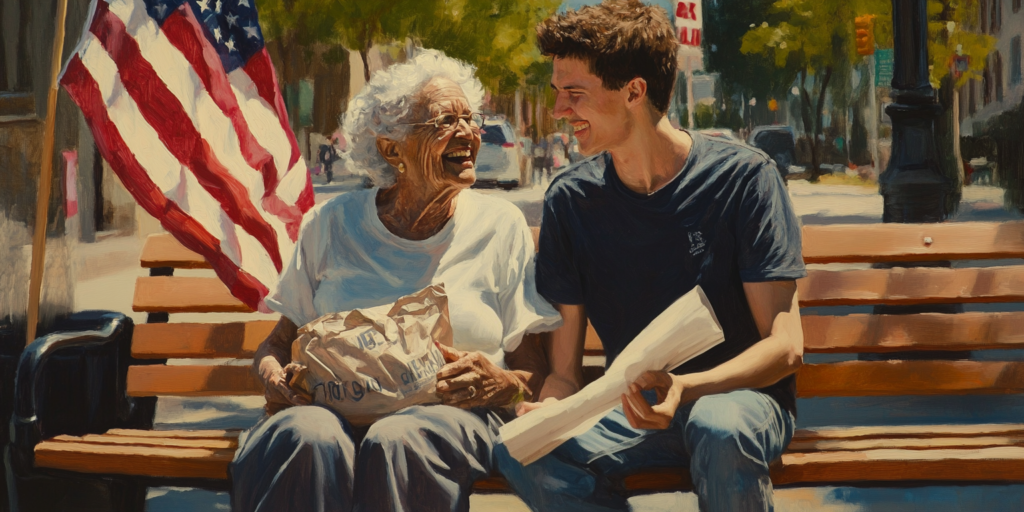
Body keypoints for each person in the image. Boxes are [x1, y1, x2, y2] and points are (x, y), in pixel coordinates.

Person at [495, 2, 806, 511]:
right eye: (557, 94)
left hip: (739, 402)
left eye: (575, 95)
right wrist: (548, 412)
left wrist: (686, 386)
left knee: (718, 426)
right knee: (522, 451)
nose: (558, 111)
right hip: (633, 409)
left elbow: (786, 346)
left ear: (634, 92)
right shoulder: (571, 201)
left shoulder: (744, 178)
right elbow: (567, 374)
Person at [231, 49, 562, 512]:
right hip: (330, 412)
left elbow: (534, 373)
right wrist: (273, 378)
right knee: (307, 436)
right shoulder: (331, 224)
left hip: (446, 422)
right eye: (445, 122)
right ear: (391, 149)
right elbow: (278, 343)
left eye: (471, 118)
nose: (468, 133)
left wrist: (503, 382)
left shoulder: (499, 226)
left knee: (398, 437)